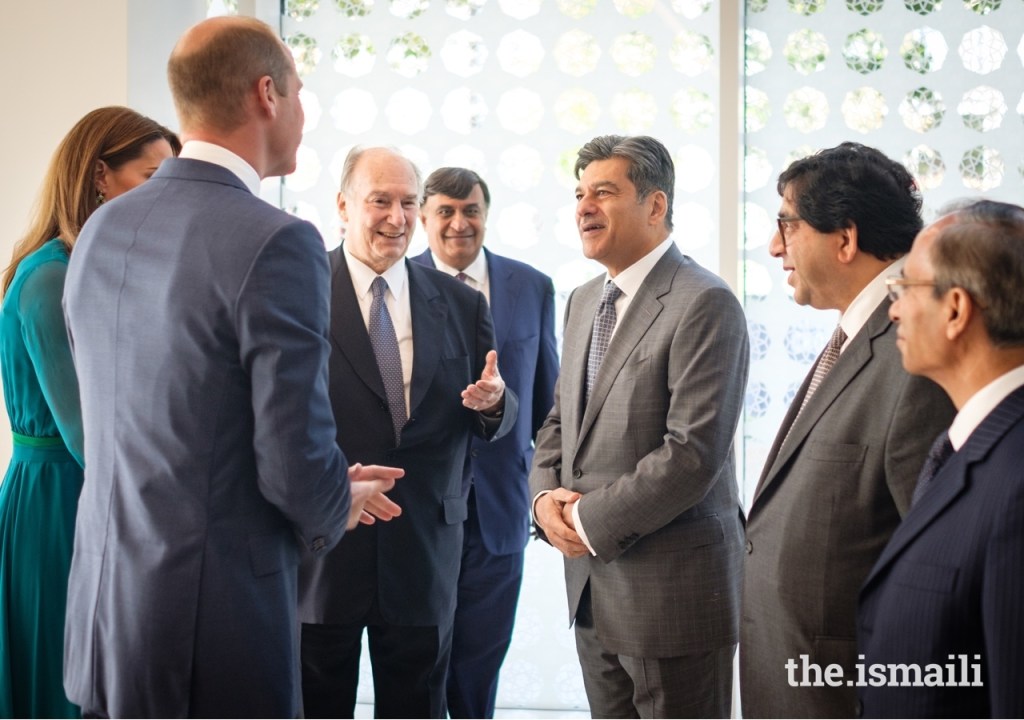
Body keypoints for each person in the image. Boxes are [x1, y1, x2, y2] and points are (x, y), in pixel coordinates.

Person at [61, 18, 402, 718]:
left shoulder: (102, 228)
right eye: (302, 92)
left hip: (105, 612)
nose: (306, 113)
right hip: (211, 624)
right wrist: (335, 500)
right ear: (267, 93)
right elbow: (290, 455)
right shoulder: (276, 241)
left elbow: (159, 425)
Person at [529, 134, 749, 718]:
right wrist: (544, 501)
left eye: (604, 192)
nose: (583, 206)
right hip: (591, 591)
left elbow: (692, 454)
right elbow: (558, 421)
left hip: (673, 596)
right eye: (579, 193)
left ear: (655, 206)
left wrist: (583, 519)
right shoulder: (580, 301)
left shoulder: (705, 302)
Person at [298, 147, 519, 720]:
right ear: (343, 205)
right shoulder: (295, 291)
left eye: (407, 202)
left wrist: (494, 404)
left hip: (423, 548)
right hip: (324, 548)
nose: (396, 218)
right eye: (380, 201)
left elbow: (494, 413)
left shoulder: (462, 303)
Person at [740, 142, 956, 718]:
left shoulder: (917, 356)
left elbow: (938, 576)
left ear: (845, 238)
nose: (773, 246)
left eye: (786, 223)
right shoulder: (856, 337)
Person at [0, 106, 177, 719]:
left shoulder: (91, 269)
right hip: (57, 503)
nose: (165, 197)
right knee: (64, 684)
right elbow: (86, 435)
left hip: (95, 492)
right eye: (152, 177)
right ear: (101, 175)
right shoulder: (49, 278)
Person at [858, 200, 1024, 718]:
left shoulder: (1017, 482)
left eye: (905, 287)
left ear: (955, 310)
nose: (894, 308)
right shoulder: (965, 444)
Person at [410, 167, 559, 719]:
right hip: (418, 511)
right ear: (424, 217)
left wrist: (547, 497)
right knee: (420, 661)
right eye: (444, 211)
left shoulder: (531, 285)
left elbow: (549, 406)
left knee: (480, 664)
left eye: (470, 210)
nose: (458, 223)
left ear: (486, 214)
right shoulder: (396, 284)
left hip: (500, 509)